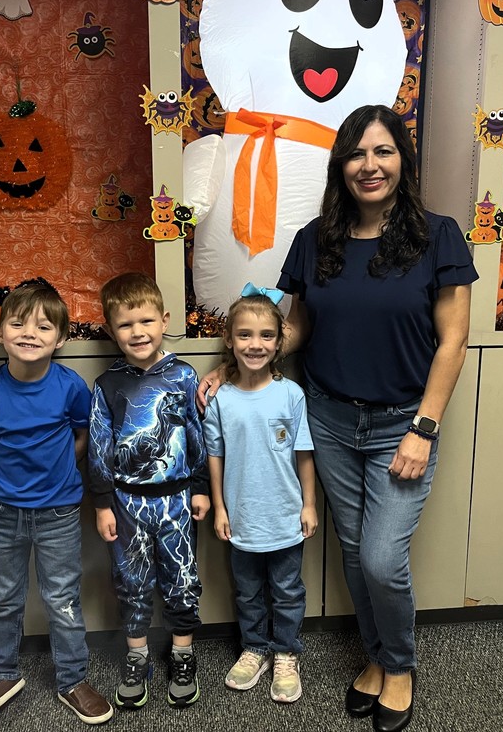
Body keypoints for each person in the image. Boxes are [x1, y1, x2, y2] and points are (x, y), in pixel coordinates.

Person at [200, 105, 478, 732]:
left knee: (382, 557)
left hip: (402, 423)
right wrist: (235, 366)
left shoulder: (439, 237)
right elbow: (294, 326)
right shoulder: (314, 238)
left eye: (383, 152)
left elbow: (453, 342)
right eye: (357, 153)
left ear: (402, 160)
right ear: (340, 164)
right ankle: (376, 658)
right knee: (354, 552)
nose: (369, 166)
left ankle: (400, 665)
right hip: (326, 418)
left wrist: (424, 428)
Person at [0, 277, 113, 726]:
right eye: (18, 323)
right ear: (0, 332)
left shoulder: (70, 387)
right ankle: (2, 673)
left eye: (44, 327)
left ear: (62, 338)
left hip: (59, 513)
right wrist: (6, 479)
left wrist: (63, 467)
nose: (30, 333)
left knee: (62, 598)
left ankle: (72, 679)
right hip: (3, 512)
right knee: (5, 598)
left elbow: (83, 436)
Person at [88, 272, 210, 711]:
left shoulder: (182, 376)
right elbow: (99, 448)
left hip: (177, 498)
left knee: (181, 578)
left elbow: (197, 435)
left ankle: (182, 652)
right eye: (125, 324)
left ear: (164, 320)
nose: (137, 332)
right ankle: (136, 655)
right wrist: (102, 503)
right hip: (125, 502)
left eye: (146, 321)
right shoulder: (107, 385)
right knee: (131, 580)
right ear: (111, 331)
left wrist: (200, 488)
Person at [202, 286, 318, 704]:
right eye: (245, 335)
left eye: (266, 335)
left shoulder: (291, 394)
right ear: (230, 340)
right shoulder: (221, 399)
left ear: (279, 341)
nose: (256, 344)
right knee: (247, 591)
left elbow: (303, 454)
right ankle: (255, 649)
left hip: (285, 516)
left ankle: (286, 653)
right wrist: (219, 507)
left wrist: (309, 504)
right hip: (241, 517)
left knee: (287, 590)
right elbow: (214, 456)